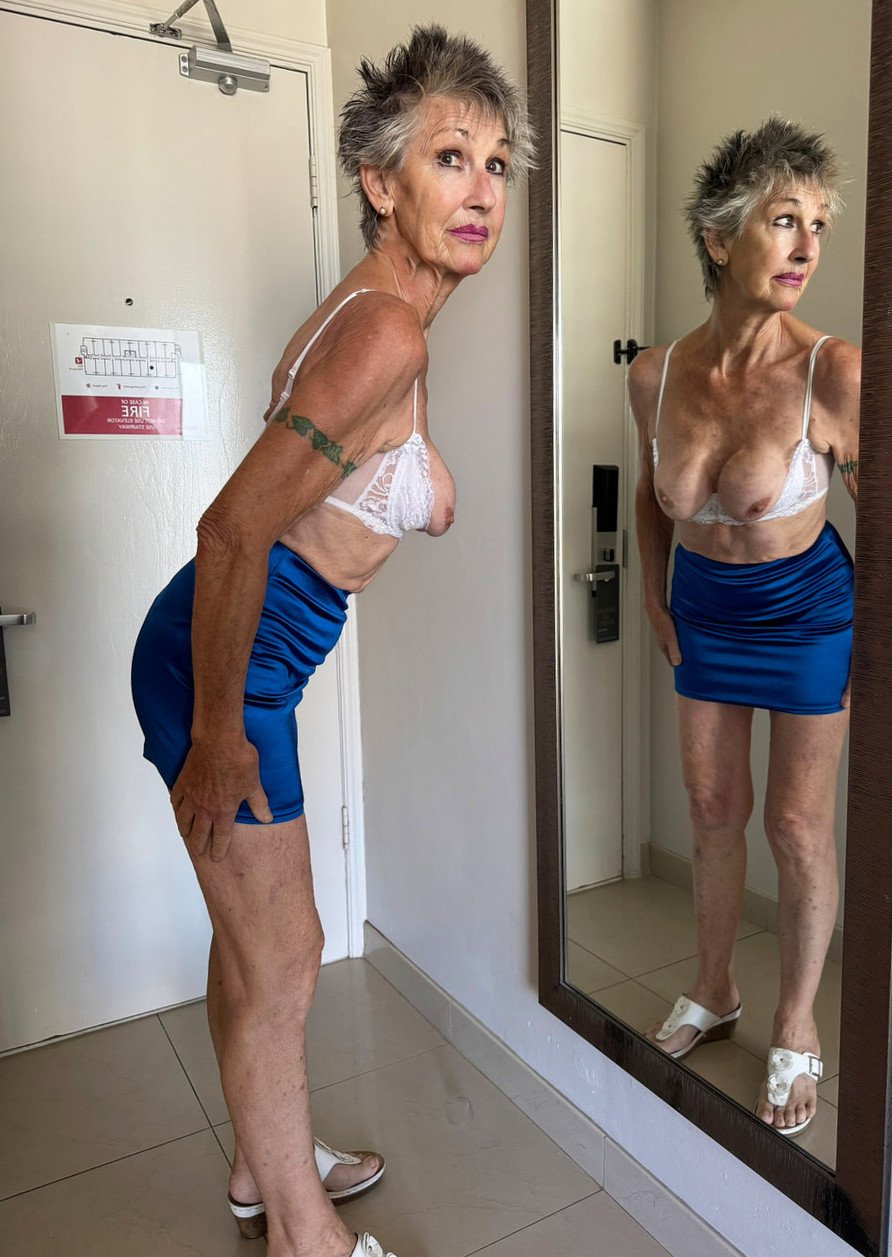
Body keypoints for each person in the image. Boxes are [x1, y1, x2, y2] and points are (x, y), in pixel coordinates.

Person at [131, 25, 533, 1257]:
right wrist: (218, 733)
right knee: (292, 960)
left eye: (497, 162)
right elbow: (230, 528)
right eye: (449, 158)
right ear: (380, 184)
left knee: (256, 949)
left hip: (238, 652)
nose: (481, 188)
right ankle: (304, 1236)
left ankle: (262, 1168)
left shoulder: (381, 318)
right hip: (227, 661)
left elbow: (325, 493)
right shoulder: (386, 332)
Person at [629, 118, 859, 1138]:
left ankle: (796, 1020)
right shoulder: (655, 373)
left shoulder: (831, 371)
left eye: (818, 225)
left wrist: (881, 644)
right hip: (705, 611)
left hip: (807, 613)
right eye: (784, 220)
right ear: (719, 238)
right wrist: (653, 593)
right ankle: (714, 986)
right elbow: (654, 497)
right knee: (712, 808)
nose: (807, 246)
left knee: (796, 826)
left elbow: (887, 520)